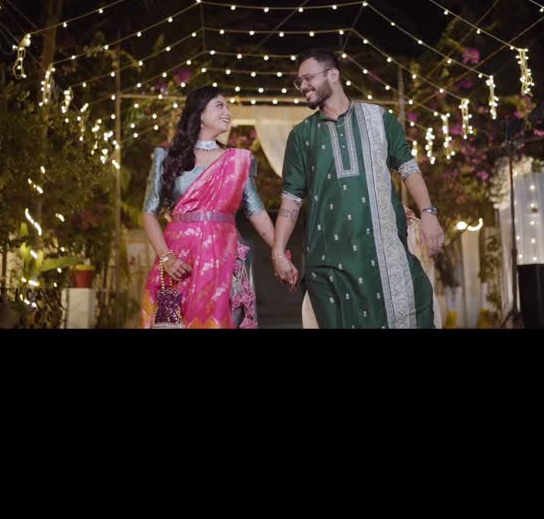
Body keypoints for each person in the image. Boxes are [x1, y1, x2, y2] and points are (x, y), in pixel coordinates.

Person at [272, 49, 445, 329]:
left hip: (384, 253)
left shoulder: (379, 118)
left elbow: (408, 168)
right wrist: (278, 252)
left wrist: (428, 213)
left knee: (415, 308)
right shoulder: (301, 135)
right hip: (328, 261)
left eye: (308, 78)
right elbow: (291, 200)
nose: (302, 86)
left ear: (333, 75)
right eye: (299, 81)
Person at [141, 85, 298, 329]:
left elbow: (256, 211)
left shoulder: (239, 160)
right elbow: (149, 212)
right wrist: (167, 258)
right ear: (200, 114)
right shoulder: (167, 157)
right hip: (179, 261)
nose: (227, 112)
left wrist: (280, 253)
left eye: (227, 107)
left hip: (224, 258)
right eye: (219, 106)